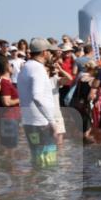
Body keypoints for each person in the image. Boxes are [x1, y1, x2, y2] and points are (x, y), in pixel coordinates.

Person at [17, 37, 62, 167]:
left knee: (37, 159)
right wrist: (52, 122)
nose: (51, 54)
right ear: (44, 52)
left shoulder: (25, 67)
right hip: (41, 122)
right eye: (50, 51)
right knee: (48, 162)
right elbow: (37, 96)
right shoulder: (37, 68)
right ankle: (47, 187)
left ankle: (38, 185)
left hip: (29, 121)